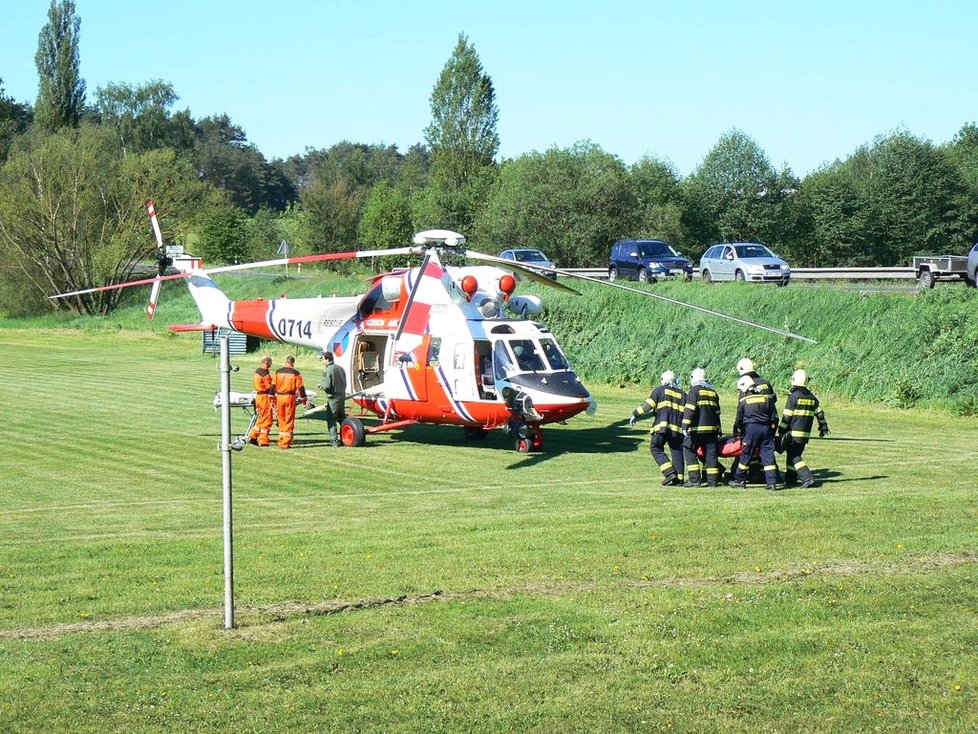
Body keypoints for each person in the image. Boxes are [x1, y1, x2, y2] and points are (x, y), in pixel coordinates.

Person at [729, 362, 780, 491]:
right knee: (768, 455)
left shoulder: (744, 400)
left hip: (751, 429)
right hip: (766, 429)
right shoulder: (765, 398)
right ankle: (772, 483)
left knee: (746, 454)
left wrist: (737, 430)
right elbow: (774, 416)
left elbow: (739, 418)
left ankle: (739, 480)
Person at [629, 370, 686, 486]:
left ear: (664, 380)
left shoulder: (660, 390)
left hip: (662, 427)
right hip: (677, 430)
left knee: (655, 448)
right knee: (677, 451)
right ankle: (679, 479)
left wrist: (635, 414)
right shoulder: (683, 395)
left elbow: (647, 405)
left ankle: (669, 473)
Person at [777, 369, 830, 488]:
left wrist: (781, 431)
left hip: (793, 434)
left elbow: (787, 416)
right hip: (805, 435)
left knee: (794, 456)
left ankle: (807, 477)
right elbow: (820, 414)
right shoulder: (812, 397)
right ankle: (791, 479)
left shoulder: (794, 396)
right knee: (792, 455)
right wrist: (823, 427)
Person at [681, 367, 722, 487]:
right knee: (711, 454)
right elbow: (717, 413)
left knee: (688, 448)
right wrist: (719, 429)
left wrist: (684, 426)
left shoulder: (694, 391)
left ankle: (694, 480)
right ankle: (712, 481)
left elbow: (690, 409)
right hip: (712, 430)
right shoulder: (713, 392)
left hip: (697, 430)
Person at [273, 355, 307, 449]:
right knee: (288, 419)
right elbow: (301, 388)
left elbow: (273, 386)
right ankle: (286, 442)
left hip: (279, 397)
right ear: (293, 363)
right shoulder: (295, 373)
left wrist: (271, 397)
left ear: (285, 362)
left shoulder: (277, 372)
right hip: (289, 397)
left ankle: (281, 440)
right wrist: (303, 399)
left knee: (281, 418)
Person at [319, 350, 348, 447]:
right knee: (342, 419)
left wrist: (321, 386)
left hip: (333, 398)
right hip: (342, 396)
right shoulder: (340, 368)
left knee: (331, 419)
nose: (322, 361)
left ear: (327, 359)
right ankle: (346, 436)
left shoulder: (328, 370)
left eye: (323, 359)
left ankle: (334, 441)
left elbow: (327, 386)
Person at [248, 356, 274, 447]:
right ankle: (263, 440)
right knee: (267, 419)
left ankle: (253, 436)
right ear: (266, 362)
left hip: (259, 397)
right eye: (270, 361)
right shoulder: (264, 373)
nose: (271, 363)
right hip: (264, 397)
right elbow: (269, 386)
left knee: (261, 418)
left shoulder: (258, 371)